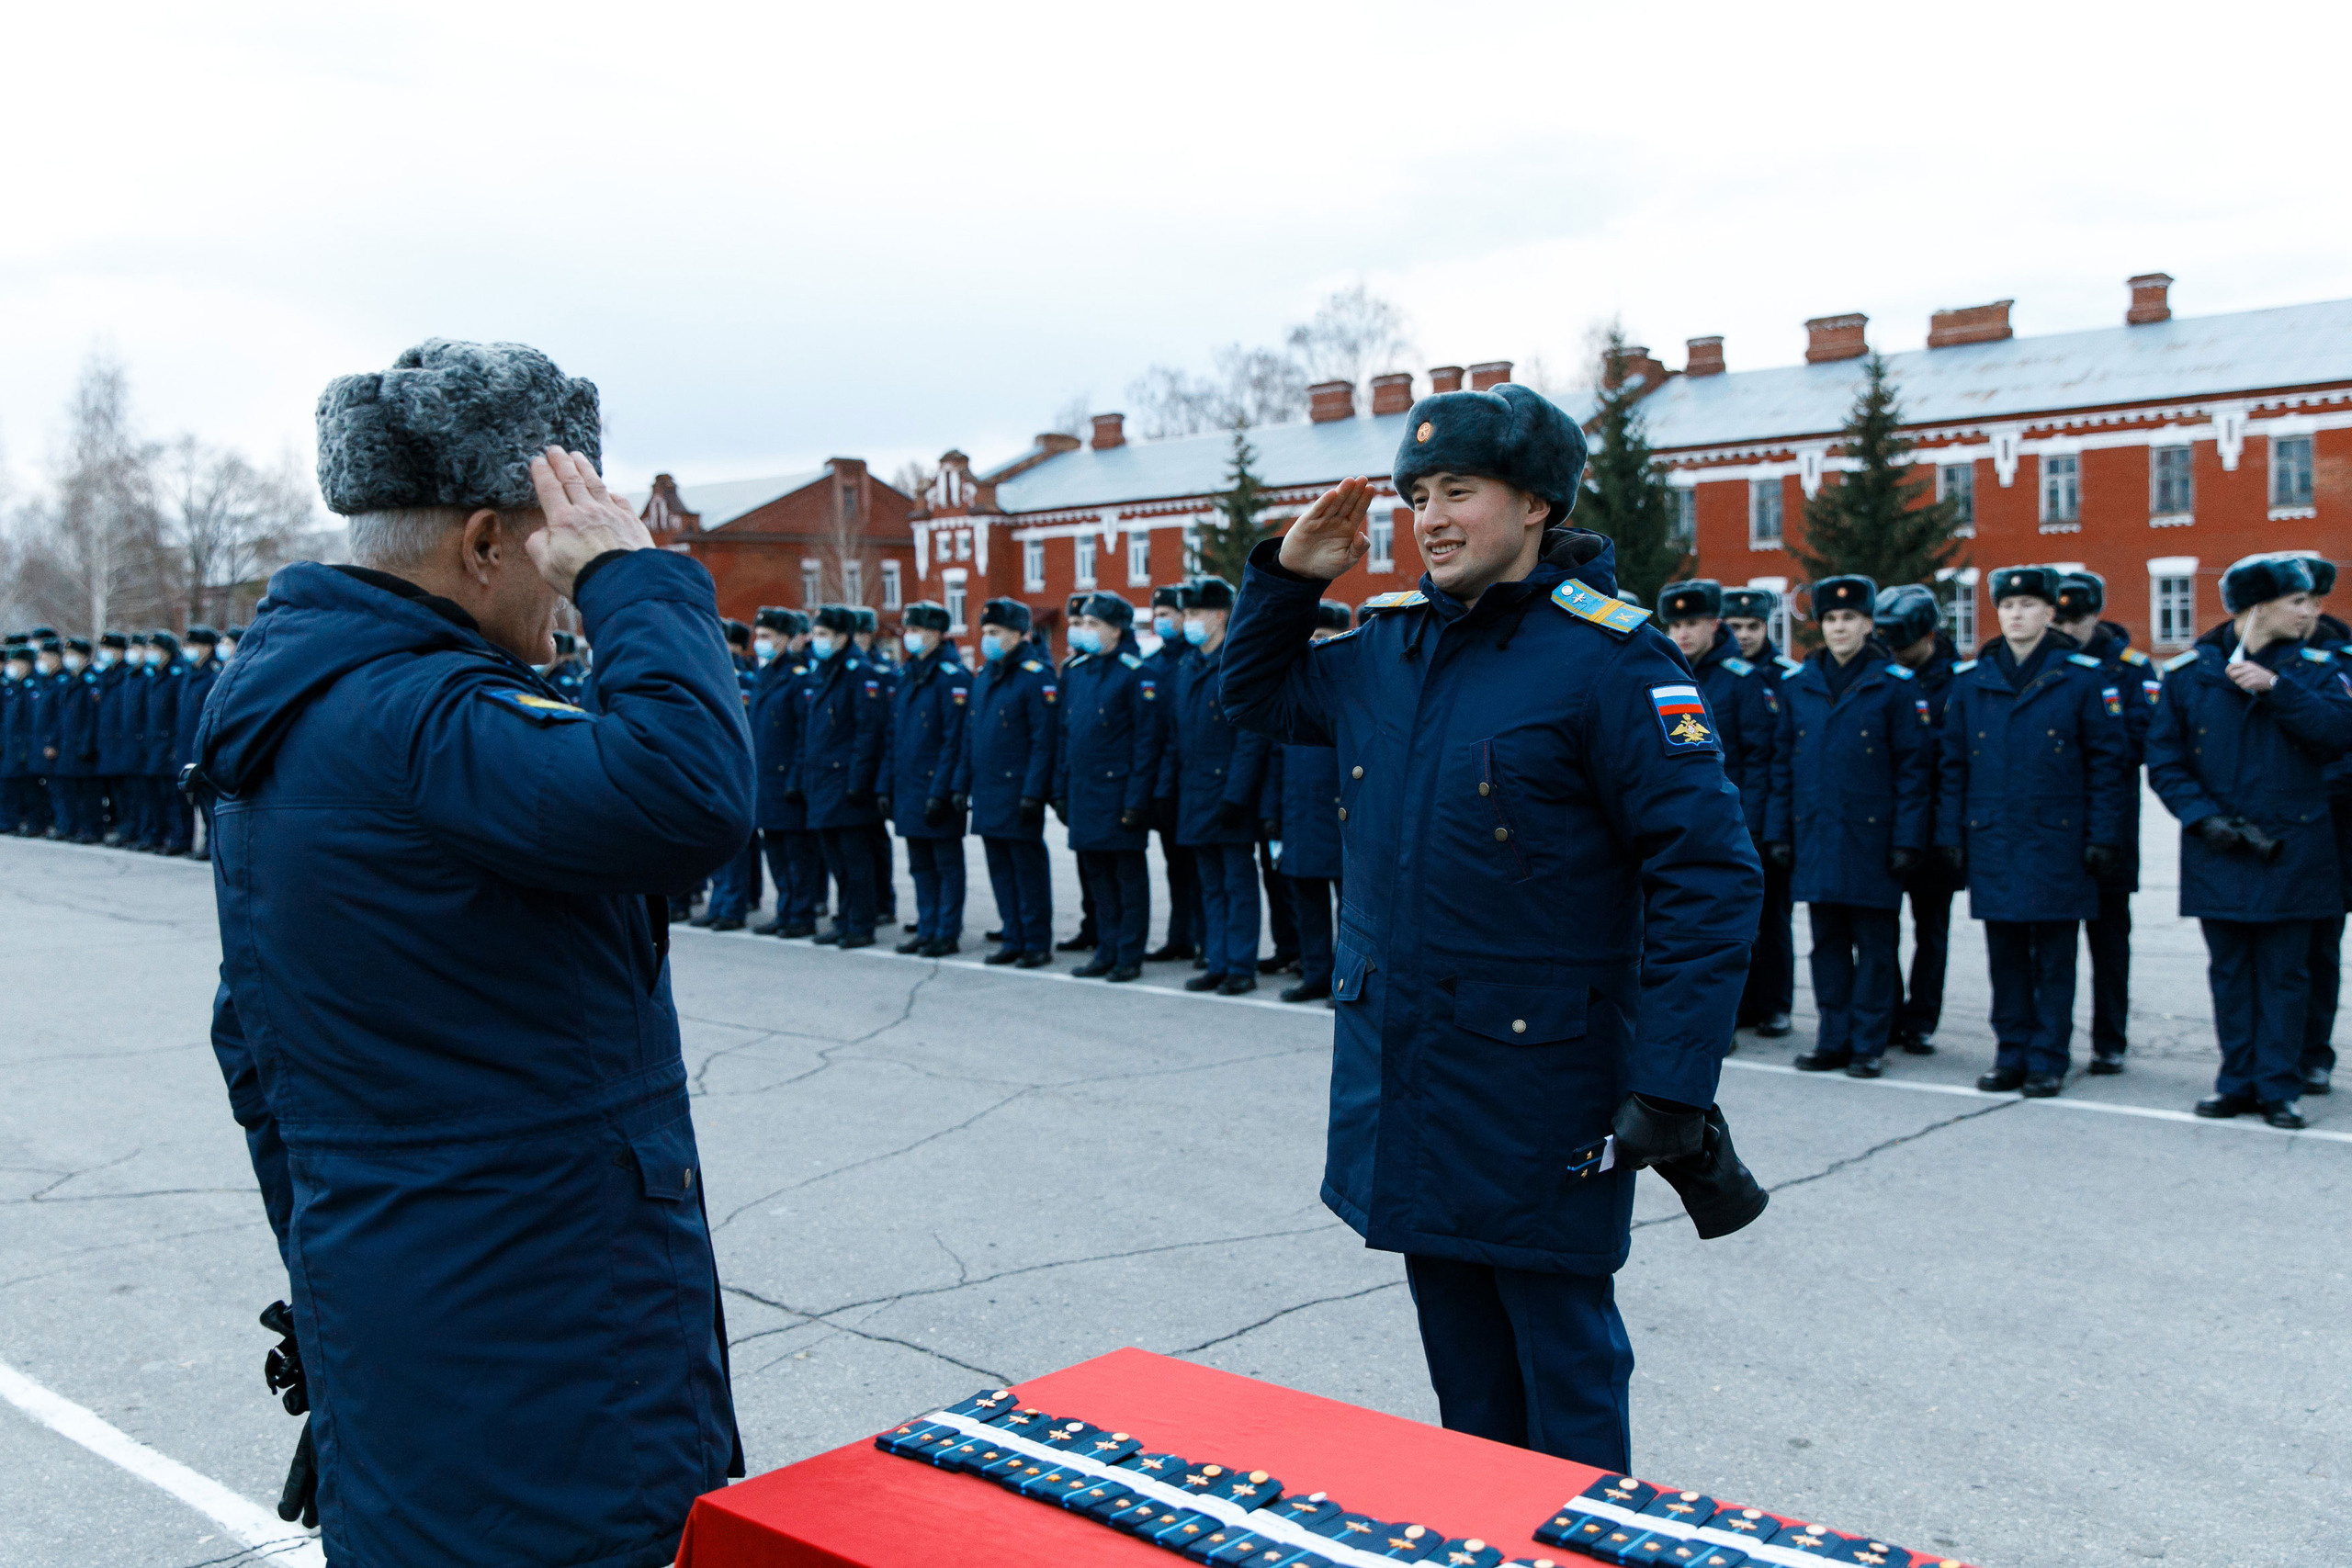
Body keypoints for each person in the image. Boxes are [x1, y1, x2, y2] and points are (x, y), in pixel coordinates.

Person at [194, 339, 751, 1566]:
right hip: (542, 1356)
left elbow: (255, 1048)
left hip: (408, 1312)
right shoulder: (424, 719)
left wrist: (346, 1263)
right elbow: (693, 792)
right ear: (487, 543)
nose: (568, 581)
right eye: (561, 539)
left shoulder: (301, 709)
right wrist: (635, 583)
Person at [1221, 378, 1764, 1473]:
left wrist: (1670, 1085)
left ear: (1535, 507)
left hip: (1540, 1086)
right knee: (1464, 1381)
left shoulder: (1611, 662)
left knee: (1563, 1382)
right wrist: (1287, 579)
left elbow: (1708, 876)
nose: (1427, 516)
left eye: (1457, 489)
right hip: (1410, 1069)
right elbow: (1256, 697)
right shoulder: (1389, 648)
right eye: (1417, 492)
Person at [2146, 553, 2352, 1130]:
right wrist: (2202, 819)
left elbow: (2339, 733)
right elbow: (2164, 760)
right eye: (2298, 601)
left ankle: (2279, 1087)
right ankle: (2236, 1082)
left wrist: (2278, 689)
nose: (2311, 611)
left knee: (2287, 974)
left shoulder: (2317, 667)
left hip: (2295, 848)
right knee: (2231, 972)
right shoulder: (2188, 674)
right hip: (2220, 845)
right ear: (2259, 607)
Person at [1937, 566, 2132, 1097]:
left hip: (2058, 838)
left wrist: (2103, 836)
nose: (2017, 614)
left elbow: (2107, 765)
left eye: (2029, 605)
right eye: (2008, 606)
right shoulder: (1973, 680)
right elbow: (1952, 764)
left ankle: (2048, 1057)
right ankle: (2010, 1053)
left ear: (2050, 612)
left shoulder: (2084, 677)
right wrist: (1950, 834)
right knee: (2005, 957)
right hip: (1995, 836)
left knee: (2054, 957)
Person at [1764, 575, 1934, 1077]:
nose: (1840, 628)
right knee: (1826, 947)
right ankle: (1831, 1038)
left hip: (1872, 841)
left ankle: (1868, 1044)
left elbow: (1914, 771)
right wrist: (1778, 833)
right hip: (1816, 837)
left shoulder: (1895, 686)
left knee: (1877, 948)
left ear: (1868, 623)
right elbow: (1781, 766)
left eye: (1850, 619)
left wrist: (1907, 839)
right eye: (1832, 619)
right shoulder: (1798, 686)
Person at [2052, 570, 2158, 1072]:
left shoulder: (2132, 670)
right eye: (2060, 618)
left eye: (2076, 618)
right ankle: (2050, 1036)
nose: (2067, 627)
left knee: (2110, 941)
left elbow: (2142, 739)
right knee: (2052, 939)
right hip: (2056, 822)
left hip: (2113, 821)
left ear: (2096, 615)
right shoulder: (2049, 665)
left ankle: (2109, 1040)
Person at [1658, 580, 1773, 1032]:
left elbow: (1761, 758)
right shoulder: (1663, 673)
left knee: (1731, 929)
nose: (1682, 634)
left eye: (1692, 623)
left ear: (1713, 625)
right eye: (1675, 624)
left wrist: (1758, 826)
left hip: (1733, 822)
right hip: (1680, 825)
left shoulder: (1742, 680)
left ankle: (1739, 1016)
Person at [1162, 574, 1270, 995]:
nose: (1187, 621)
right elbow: (1177, 735)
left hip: (1227, 796)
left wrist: (1236, 796)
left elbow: (1250, 737)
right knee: (1209, 884)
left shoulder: (1236, 659)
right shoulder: (1187, 665)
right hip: (1194, 793)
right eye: (1185, 612)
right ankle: (1217, 960)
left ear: (1220, 614)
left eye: (1194, 613)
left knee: (1237, 884)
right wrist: (1167, 792)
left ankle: (1240, 966)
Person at [1050, 592, 1161, 981]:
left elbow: (1147, 744)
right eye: (1081, 624)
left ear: (1117, 629)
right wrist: (1060, 789)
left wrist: (1136, 801)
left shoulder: (1135, 673)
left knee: (1127, 880)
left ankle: (1128, 955)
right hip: (1084, 792)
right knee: (1096, 876)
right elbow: (1065, 735)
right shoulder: (1077, 671)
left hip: (1118, 796)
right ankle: (1105, 949)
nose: (1084, 631)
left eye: (1093, 624)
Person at [1873, 584, 1962, 1056]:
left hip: (1936, 822)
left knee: (1932, 931)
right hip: (1889, 822)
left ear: (1929, 635)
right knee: (1881, 928)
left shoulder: (1958, 680)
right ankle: (1885, 1015)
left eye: (1904, 646)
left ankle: (1922, 1018)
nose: (1897, 655)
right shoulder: (1884, 674)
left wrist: (1950, 834)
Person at [1257, 599, 1352, 1002]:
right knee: (1307, 905)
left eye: (1323, 638)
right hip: (1298, 815)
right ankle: (1314, 974)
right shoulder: (1294, 696)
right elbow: (1275, 761)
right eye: (1310, 638)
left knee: (1348, 910)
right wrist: (1271, 814)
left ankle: (1344, 980)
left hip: (1340, 819)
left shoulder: (1351, 693)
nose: (1315, 646)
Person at [956, 597, 1058, 966]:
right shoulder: (984, 677)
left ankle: (1035, 942)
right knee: (1001, 870)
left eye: (995, 632)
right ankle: (1012, 936)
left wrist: (1034, 792)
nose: (988, 638)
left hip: (1018, 794)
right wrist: (960, 785)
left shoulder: (1035, 676)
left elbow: (1042, 740)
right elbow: (972, 738)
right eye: (985, 631)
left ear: (1020, 634)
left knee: (1027, 872)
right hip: (988, 793)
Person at [1721, 585, 1797, 1038]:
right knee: (1736, 922)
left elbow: (1775, 756)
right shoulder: (1722, 673)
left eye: (1753, 627)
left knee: (1773, 918)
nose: (1744, 635)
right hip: (1736, 815)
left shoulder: (1784, 675)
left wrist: (1772, 826)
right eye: (1736, 627)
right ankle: (1745, 1002)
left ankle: (1776, 1003)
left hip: (1768, 814)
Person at [790, 604, 888, 948]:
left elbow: (868, 733)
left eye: (823, 635)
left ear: (842, 637)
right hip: (823, 784)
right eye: (815, 634)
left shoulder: (858, 673)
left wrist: (859, 781)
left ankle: (861, 923)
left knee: (855, 860)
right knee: (837, 861)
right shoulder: (823, 671)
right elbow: (812, 733)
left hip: (847, 784)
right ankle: (844, 919)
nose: (816, 640)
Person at [885, 601, 971, 955]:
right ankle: (927, 926)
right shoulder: (907, 676)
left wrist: (943, 791)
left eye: (917, 630)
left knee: (946, 865)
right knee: (920, 865)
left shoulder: (953, 678)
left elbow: (955, 740)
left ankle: (946, 932)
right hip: (908, 786)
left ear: (936, 634)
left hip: (939, 788)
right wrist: (887, 786)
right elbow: (895, 736)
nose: (910, 637)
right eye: (908, 630)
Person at [750, 608, 826, 938]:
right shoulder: (764, 676)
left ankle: (801, 913)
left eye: (767, 636)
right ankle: (785, 910)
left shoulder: (798, 677)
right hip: (765, 780)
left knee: (798, 855)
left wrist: (797, 778)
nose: (760, 642)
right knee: (776, 852)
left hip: (788, 783)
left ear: (784, 638)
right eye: (759, 635)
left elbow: (803, 735)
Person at [2303, 558, 2348, 1097]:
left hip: (2335, 824)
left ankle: (2315, 1053)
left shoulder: (2342, 658)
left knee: (2320, 944)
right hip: (2278, 824)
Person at [1141, 584, 1201, 964]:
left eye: (1170, 613)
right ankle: (1178, 936)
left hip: (1191, 777)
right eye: (1158, 613)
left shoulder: (1195, 660)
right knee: (1176, 866)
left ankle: (1201, 939)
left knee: (1198, 869)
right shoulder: (1153, 664)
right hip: (1165, 777)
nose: (1163, 620)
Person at [694, 618, 764, 931]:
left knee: (734, 845)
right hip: (709, 768)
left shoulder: (743, 680)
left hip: (734, 770)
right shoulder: (707, 676)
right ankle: (720, 902)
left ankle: (733, 905)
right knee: (713, 843)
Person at [174, 626, 225, 859]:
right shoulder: (187, 674)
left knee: (207, 802)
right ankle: (189, 841)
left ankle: (212, 845)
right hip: (185, 743)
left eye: (194, 645)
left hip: (204, 746)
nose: (189, 650)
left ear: (206, 648)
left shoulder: (214, 674)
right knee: (188, 798)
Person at [144, 630, 189, 853]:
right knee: (157, 794)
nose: (150, 654)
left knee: (175, 797)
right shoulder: (155, 675)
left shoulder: (176, 675)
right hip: (155, 744)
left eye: (156, 650)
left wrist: (175, 743)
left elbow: (178, 714)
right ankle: (161, 835)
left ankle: (179, 838)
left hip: (171, 744)